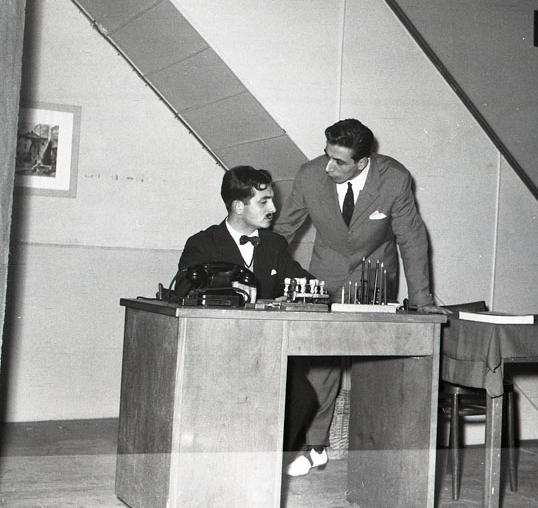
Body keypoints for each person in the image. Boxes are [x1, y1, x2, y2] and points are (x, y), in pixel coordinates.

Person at [274, 118, 449, 476]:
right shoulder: (309, 176)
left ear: (362, 162)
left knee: (374, 367)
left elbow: (411, 238)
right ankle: (314, 447)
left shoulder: (394, 179)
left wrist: (421, 299)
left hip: (374, 276)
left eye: (339, 161)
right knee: (319, 363)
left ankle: (378, 453)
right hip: (325, 274)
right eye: (327, 155)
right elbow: (283, 230)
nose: (328, 166)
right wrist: (258, 273)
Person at [177, 165, 317, 452]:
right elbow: (184, 292)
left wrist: (313, 291)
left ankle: (270, 460)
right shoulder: (203, 243)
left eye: (272, 200)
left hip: (268, 350)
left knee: (303, 398)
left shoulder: (275, 244)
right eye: (264, 201)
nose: (273, 208)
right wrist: (245, 298)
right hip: (218, 351)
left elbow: (301, 280)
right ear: (238, 206)